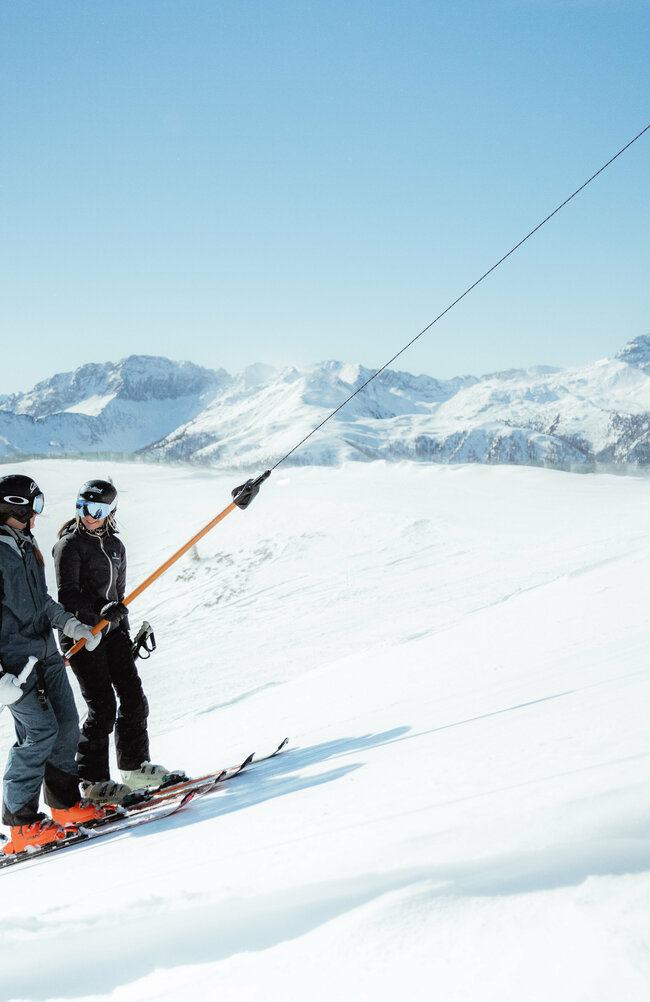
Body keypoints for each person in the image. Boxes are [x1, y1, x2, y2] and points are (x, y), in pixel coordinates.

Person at [0, 474, 106, 856]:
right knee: (37, 734)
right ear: (16, 506)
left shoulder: (25, 545)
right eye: (34, 505)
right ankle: (21, 825)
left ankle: (63, 808)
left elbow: (42, 601)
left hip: (45, 653)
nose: (37, 514)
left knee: (65, 725)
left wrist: (72, 623)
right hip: (16, 665)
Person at [52, 478, 173, 805]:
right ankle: (92, 783)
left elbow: (118, 598)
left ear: (110, 512)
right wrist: (98, 611)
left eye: (97, 509)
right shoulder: (69, 545)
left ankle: (134, 768)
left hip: (112, 633)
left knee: (134, 697)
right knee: (103, 707)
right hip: (81, 634)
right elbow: (68, 596)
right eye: (82, 506)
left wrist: (124, 630)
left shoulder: (116, 547)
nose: (88, 515)